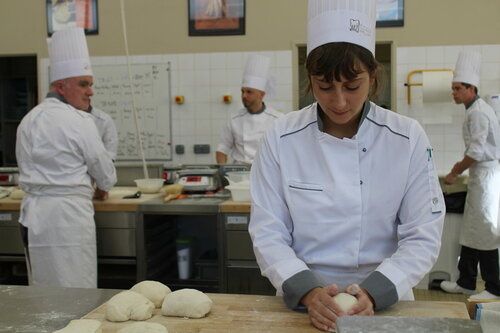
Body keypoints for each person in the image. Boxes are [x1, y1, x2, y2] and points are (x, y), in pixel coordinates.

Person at [248, 0, 445, 331]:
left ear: (372, 76)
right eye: (324, 87)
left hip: (386, 299)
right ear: (310, 80)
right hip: (302, 300)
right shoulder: (282, 136)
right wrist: (309, 292)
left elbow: (423, 233)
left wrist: (375, 292)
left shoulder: (406, 137)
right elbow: (268, 231)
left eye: (352, 87)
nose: (339, 101)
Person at [16, 27, 117, 288]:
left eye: (91, 84)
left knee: (43, 290)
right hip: (69, 218)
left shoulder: (29, 120)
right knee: (76, 292)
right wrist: (101, 187)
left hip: (34, 216)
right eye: (84, 84)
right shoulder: (81, 121)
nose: (91, 92)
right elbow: (106, 176)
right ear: (61, 86)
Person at [440, 51, 500, 300]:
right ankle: (466, 281)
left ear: (470, 88)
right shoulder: (475, 108)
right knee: (471, 230)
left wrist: (455, 171)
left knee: (484, 231)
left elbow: (475, 151)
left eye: (457, 88)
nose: (453, 92)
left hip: (486, 177)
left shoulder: (478, 112)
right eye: (452, 88)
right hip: (481, 175)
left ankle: (494, 288)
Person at [216, 54, 283, 164]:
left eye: (249, 92)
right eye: (242, 91)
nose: (244, 96)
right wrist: (222, 172)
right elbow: (222, 149)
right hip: (238, 174)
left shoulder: (277, 119)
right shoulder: (234, 119)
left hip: (265, 173)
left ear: (261, 95)